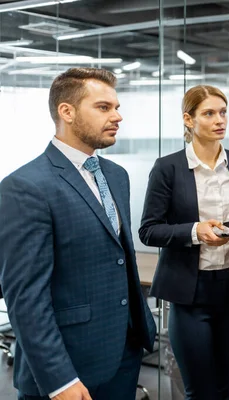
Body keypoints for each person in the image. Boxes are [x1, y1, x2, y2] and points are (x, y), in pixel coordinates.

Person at [0, 67, 157, 400]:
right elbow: (26, 298)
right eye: (103, 107)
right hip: (67, 368)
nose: (117, 116)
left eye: (116, 107)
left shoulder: (116, 176)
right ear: (66, 112)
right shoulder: (25, 187)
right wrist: (59, 380)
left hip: (123, 354)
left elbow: (117, 256)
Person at [138, 84, 229, 400]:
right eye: (209, 113)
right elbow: (149, 230)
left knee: (228, 389)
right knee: (200, 392)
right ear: (188, 120)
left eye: (223, 112)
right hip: (189, 292)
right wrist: (195, 232)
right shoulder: (168, 167)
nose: (220, 120)